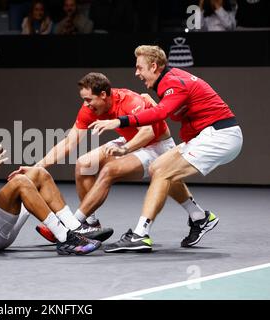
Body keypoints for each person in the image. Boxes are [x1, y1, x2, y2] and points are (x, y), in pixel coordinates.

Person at [10, 72, 212, 250]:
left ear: (104, 95)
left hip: (155, 145)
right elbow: (69, 142)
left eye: (89, 99)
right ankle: (91, 224)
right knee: (84, 164)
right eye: (84, 100)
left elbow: (147, 131)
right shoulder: (89, 108)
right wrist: (37, 168)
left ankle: (72, 225)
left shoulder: (130, 101)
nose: (86, 104)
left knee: (109, 171)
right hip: (130, 140)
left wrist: (123, 149)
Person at [89, 45, 243, 252]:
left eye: (139, 68)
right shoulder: (170, 80)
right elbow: (176, 113)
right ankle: (199, 217)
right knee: (156, 166)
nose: (137, 73)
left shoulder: (173, 82)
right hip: (207, 135)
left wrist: (120, 122)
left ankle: (140, 234)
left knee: (162, 172)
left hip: (220, 136)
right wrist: (157, 107)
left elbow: (162, 113)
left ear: (153, 66)